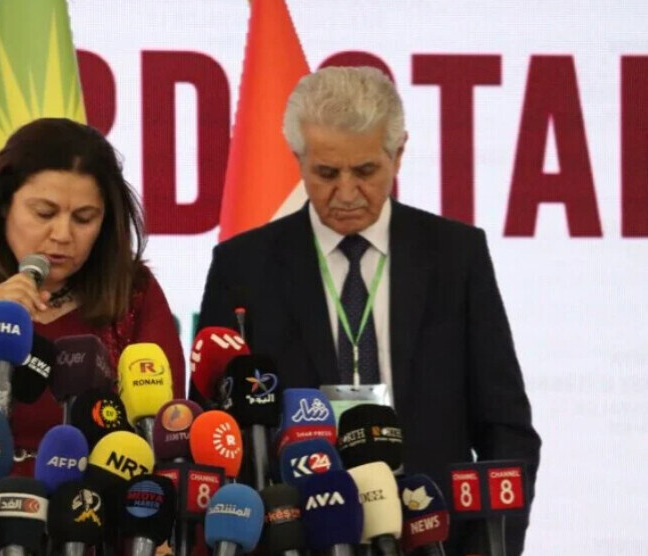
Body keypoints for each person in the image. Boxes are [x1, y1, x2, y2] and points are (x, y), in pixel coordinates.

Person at [196, 67, 541, 555]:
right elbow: (214, 432)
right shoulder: (242, 267)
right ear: (298, 158)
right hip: (296, 539)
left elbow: (505, 428)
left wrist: (490, 546)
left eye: (365, 171)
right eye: (326, 173)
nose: (346, 193)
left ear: (397, 154)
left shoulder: (456, 255)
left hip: (433, 537)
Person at [0, 118, 185, 504]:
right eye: (44, 213)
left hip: (87, 517)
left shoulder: (132, 293)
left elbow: (163, 432)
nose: (62, 235)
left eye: (84, 218)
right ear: (2, 204)